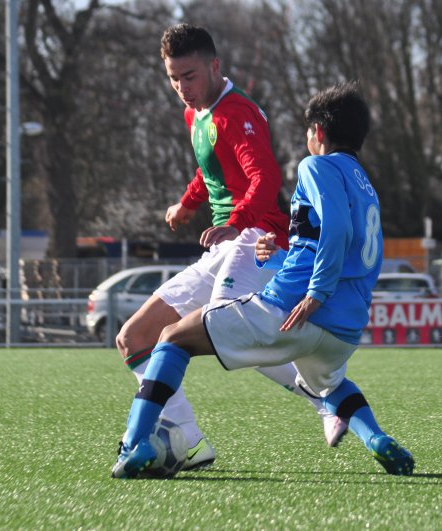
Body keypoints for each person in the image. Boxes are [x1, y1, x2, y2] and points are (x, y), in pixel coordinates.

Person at [111, 81, 414, 479]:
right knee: (328, 386)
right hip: (343, 329)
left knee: (172, 337)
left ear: (318, 133)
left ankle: (136, 442)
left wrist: (315, 293)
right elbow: (351, 250)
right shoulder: (365, 184)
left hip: (294, 309)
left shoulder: (316, 166)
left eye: (308, 131)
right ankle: (376, 439)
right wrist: (283, 258)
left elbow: (336, 229)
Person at [115, 23, 341, 471]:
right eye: (174, 78)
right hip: (226, 246)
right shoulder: (195, 113)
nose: (182, 88)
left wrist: (234, 222)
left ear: (215, 66)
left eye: (190, 75)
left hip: (256, 241)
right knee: (136, 339)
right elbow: (211, 171)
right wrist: (186, 204)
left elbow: (266, 179)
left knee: (232, 337)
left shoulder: (236, 113)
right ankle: (189, 439)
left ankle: (330, 397)